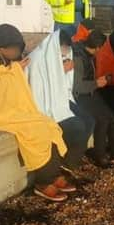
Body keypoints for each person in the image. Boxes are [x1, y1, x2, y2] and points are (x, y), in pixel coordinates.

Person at [0, 24, 75, 202]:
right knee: (36, 132)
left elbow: (6, 75)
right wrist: (16, 70)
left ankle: (54, 174)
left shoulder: (0, 55)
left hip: (9, 108)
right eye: (14, 50)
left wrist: (15, 68)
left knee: (48, 124)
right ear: (2, 48)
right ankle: (43, 182)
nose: (17, 53)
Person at [26, 29, 93, 174]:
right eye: (62, 53)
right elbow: (40, 90)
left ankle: (72, 159)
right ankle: (68, 162)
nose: (64, 56)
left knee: (89, 121)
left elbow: (61, 84)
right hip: (45, 104)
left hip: (60, 98)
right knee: (78, 127)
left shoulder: (56, 57)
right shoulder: (37, 59)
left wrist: (64, 70)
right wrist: (62, 70)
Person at [72, 29, 114, 166]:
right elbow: (76, 86)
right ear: (98, 47)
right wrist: (96, 83)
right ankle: (100, 156)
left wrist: (99, 82)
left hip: (90, 92)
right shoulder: (78, 58)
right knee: (102, 118)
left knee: (111, 116)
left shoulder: (88, 55)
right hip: (80, 97)